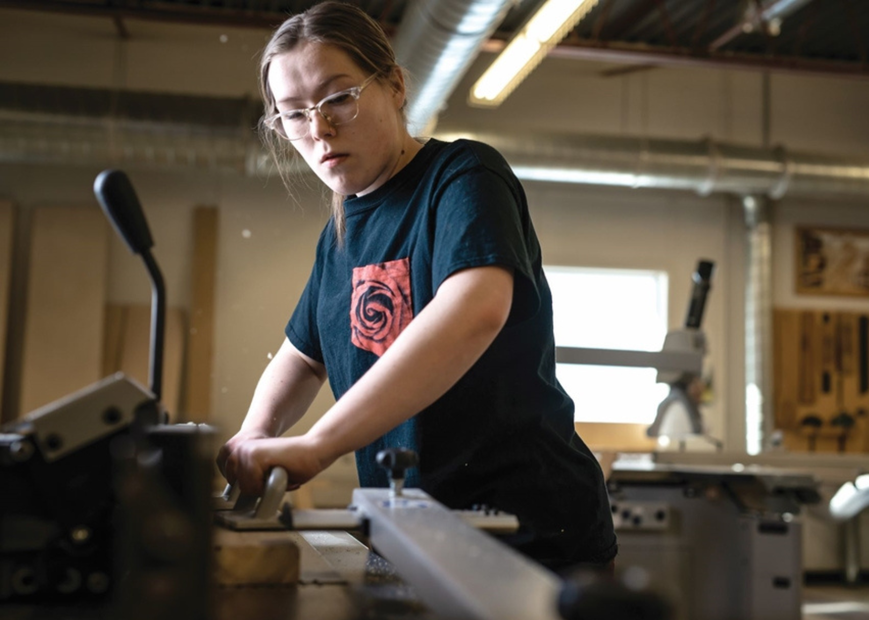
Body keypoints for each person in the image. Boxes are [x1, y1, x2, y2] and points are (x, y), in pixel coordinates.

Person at [217, 0, 617, 572]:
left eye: (338, 97)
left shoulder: (462, 178)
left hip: (522, 534)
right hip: (409, 537)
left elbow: (473, 310)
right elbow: (303, 359)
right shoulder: (340, 235)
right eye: (295, 114)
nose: (320, 128)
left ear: (396, 86)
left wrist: (317, 445)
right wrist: (254, 436)